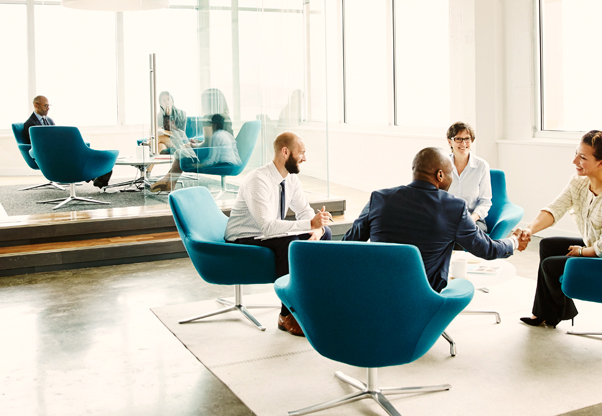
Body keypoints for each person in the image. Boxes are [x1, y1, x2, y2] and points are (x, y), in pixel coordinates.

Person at [343, 147, 526, 293]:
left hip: (377, 290)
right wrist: (514, 242)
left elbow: (348, 244)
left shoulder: (379, 198)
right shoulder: (454, 207)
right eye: (450, 174)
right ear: (440, 175)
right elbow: (486, 249)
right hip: (425, 295)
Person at [518, 127, 602, 328]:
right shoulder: (579, 181)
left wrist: (580, 251)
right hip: (601, 248)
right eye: (575, 154)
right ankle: (546, 314)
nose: (575, 162)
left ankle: (561, 312)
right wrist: (530, 229)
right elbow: (556, 208)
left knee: (550, 266)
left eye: (583, 158)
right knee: (547, 246)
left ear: (601, 162)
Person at [224, 132, 332, 336]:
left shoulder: (290, 179)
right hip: (244, 236)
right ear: (285, 152)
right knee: (289, 243)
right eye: (301, 153)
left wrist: (316, 229)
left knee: (325, 234)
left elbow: (304, 210)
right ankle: (287, 315)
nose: (305, 158)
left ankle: (309, 305)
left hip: (269, 234)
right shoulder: (258, 180)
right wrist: (309, 223)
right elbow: (267, 227)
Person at [150, 88, 231, 192]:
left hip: (214, 157)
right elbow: (217, 140)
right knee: (180, 150)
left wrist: (194, 145)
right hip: (224, 153)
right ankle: (169, 182)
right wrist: (198, 142)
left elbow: (209, 144)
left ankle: (168, 180)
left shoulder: (208, 118)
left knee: (182, 151)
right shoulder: (225, 117)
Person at [23, 95, 112, 188]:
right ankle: (95, 175)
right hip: (47, 155)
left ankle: (96, 173)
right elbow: (34, 145)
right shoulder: (29, 124)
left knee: (78, 150)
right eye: (45, 105)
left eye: (49, 105)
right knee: (75, 155)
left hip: (56, 150)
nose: (48, 108)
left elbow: (55, 137)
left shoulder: (49, 120)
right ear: (36, 105)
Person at [445, 121, 492, 233]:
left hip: (473, 219)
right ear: (450, 142)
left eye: (467, 139)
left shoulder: (482, 166)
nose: (464, 143)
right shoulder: (442, 164)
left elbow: (485, 202)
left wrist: (471, 219)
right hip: (447, 218)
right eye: (458, 139)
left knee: (463, 233)